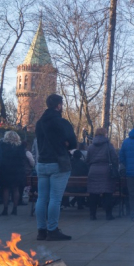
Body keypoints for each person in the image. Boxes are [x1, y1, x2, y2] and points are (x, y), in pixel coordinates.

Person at [35, 94, 77, 241]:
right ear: (58, 105)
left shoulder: (39, 123)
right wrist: (65, 144)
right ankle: (52, 230)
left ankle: (41, 230)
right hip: (58, 163)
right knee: (55, 199)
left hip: (42, 163)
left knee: (41, 198)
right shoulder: (62, 122)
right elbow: (72, 142)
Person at [86, 127, 118, 221]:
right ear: (105, 134)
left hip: (93, 170)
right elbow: (114, 158)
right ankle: (108, 215)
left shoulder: (91, 146)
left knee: (93, 193)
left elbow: (87, 160)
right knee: (107, 193)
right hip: (106, 171)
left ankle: (92, 215)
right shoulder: (109, 146)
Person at [0, 131, 27, 215]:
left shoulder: (3, 145)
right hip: (17, 170)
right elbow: (23, 158)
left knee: (5, 189)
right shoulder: (21, 146)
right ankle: (15, 209)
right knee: (16, 189)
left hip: (5, 169)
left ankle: (5, 209)